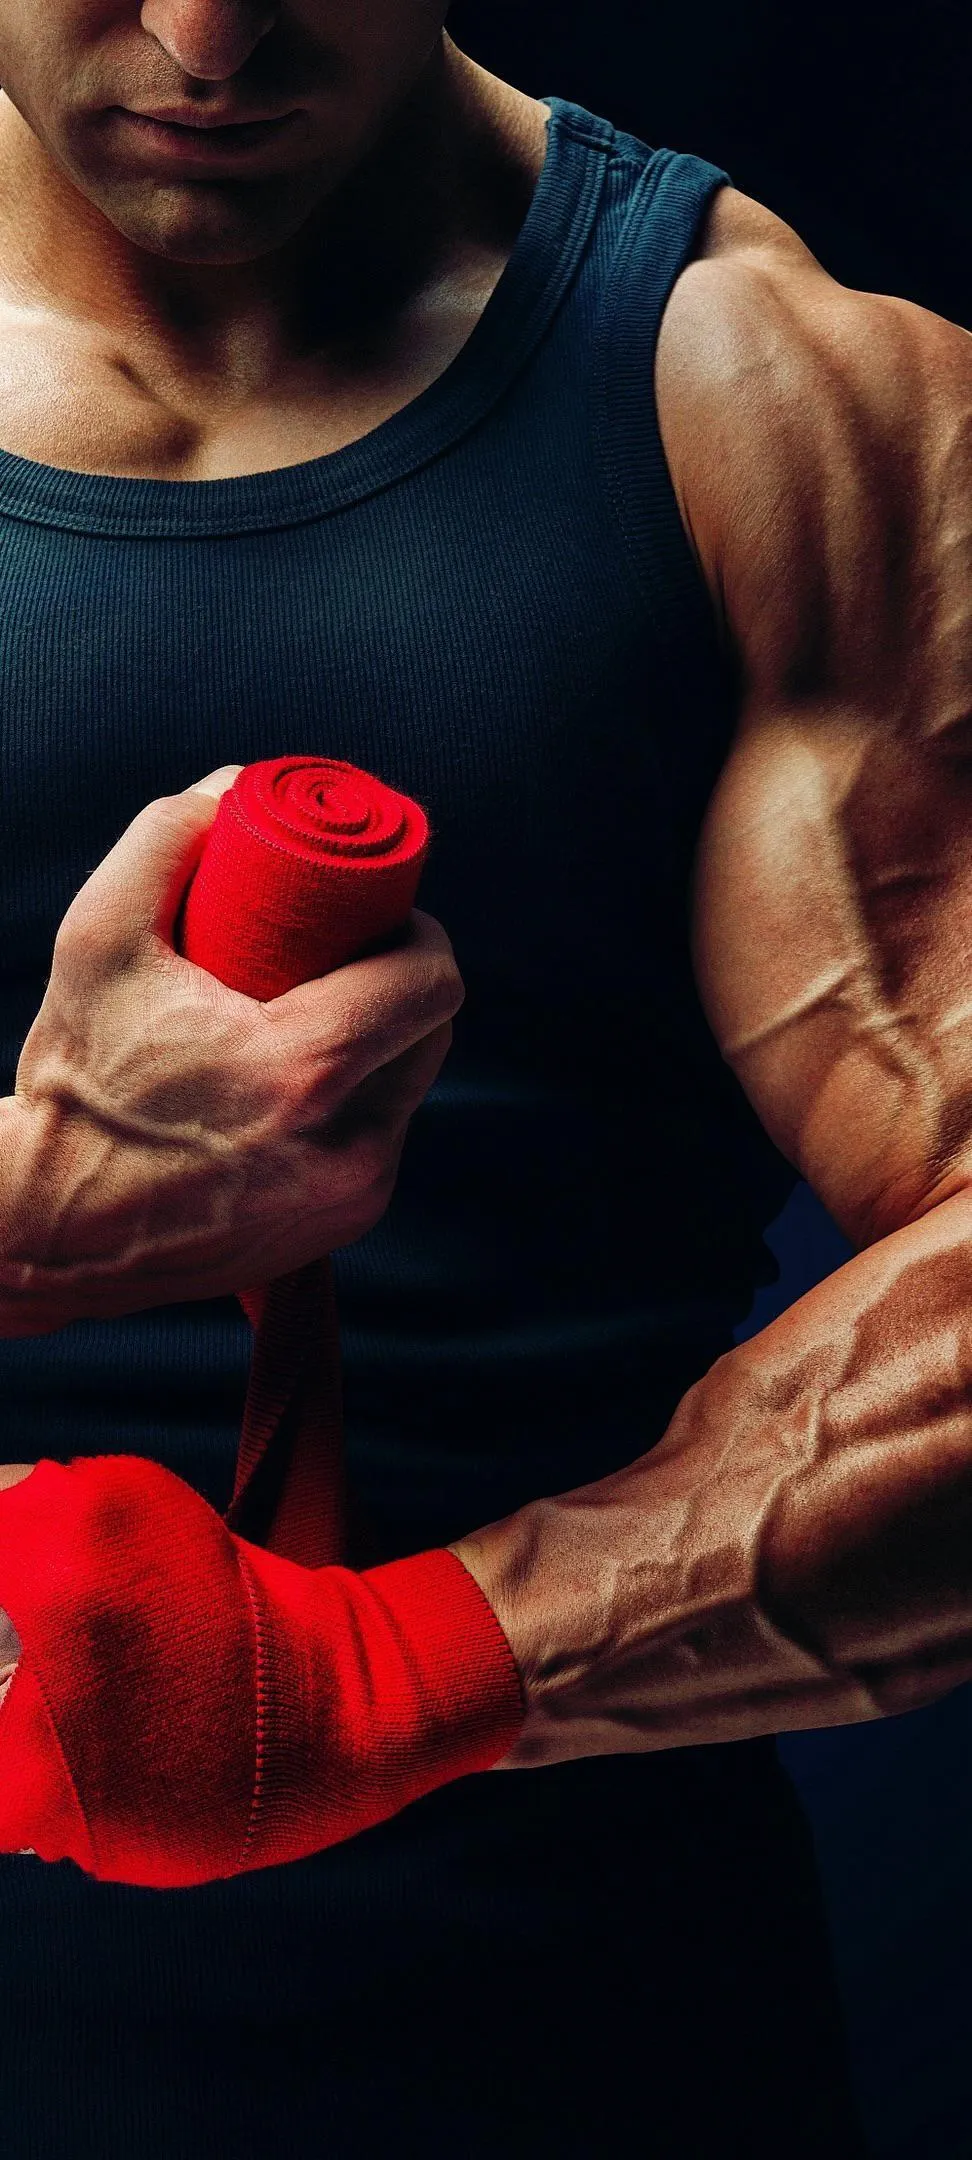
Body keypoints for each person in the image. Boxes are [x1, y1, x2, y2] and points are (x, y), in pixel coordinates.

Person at [0, 2, 966, 2153]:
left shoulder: (784, 393)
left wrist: (370, 1690)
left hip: (568, 2031)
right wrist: (33, 1219)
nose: (203, 33)